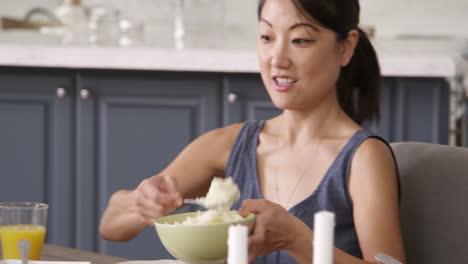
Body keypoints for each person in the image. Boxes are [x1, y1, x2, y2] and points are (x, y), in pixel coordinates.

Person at [99, 0, 406, 263]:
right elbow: (112, 224)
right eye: (266, 37)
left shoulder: (363, 157)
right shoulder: (231, 144)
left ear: (346, 47)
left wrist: (299, 241)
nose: (278, 59)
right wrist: (144, 202)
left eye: (300, 40)